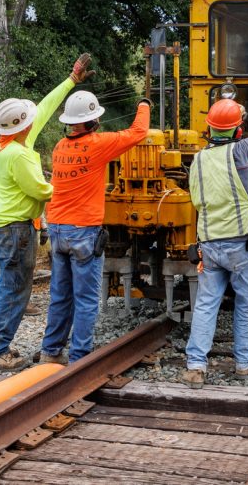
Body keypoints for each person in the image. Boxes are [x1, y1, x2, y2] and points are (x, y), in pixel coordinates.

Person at [0, 53, 95, 371]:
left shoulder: (10, 141)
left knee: (8, 282)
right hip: (16, 228)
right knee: (16, 287)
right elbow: (41, 191)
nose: (35, 120)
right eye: (29, 119)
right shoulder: (18, 155)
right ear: (24, 126)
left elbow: (44, 108)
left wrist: (70, 81)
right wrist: (72, 183)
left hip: (8, 224)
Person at [180, 87, 248, 389]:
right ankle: (243, 364)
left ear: (209, 128)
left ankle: (195, 366)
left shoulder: (198, 160)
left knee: (205, 304)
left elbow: (196, 201)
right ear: (239, 129)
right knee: (247, 304)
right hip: (241, 246)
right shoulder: (245, 152)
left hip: (209, 246)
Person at [39, 92, 151, 364]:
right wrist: (144, 105)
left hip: (57, 228)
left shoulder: (59, 147)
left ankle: (50, 352)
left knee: (60, 295)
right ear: (93, 121)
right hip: (83, 231)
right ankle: (80, 358)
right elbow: (138, 132)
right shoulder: (98, 144)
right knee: (87, 298)